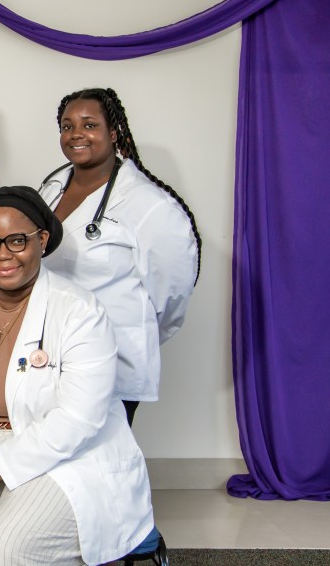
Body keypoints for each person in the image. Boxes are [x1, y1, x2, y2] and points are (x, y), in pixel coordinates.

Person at [0, 187, 154, 566]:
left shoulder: (80, 312)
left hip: (61, 458)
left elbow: (77, 419)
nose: (3, 254)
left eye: (17, 241)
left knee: (2, 547)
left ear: (42, 240)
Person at [39, 87, 200, 424]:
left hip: (114, 355)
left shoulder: (149, 204)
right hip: (52, 352)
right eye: (67, 127)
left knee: (100, 463)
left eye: (89, 125)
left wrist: (138, 331)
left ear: (113, 133)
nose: (76, 134)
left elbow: (171, 294)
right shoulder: (52, 186)